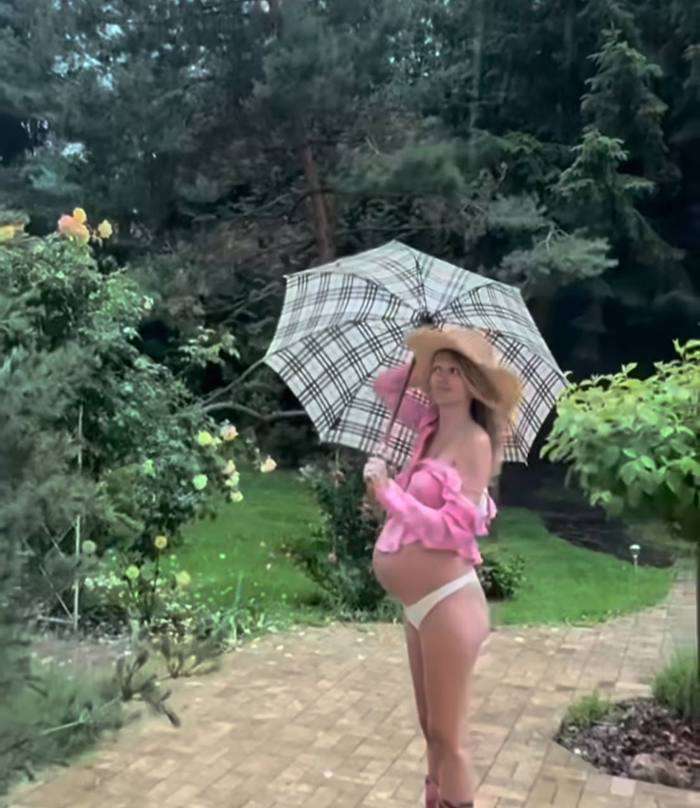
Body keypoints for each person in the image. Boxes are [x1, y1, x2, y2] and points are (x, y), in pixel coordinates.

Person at [363, 326, 521, 808]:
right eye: (438, 371)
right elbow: (387, 386)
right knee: (429, 728)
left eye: (456, 371)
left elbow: (452, 531)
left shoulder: (475, 442)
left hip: (448, 604)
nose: (443, 378)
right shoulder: (428, 427)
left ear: (474, 383)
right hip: (417, 607)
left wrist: (388, 493)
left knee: (450, 739)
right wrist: (426, 350)